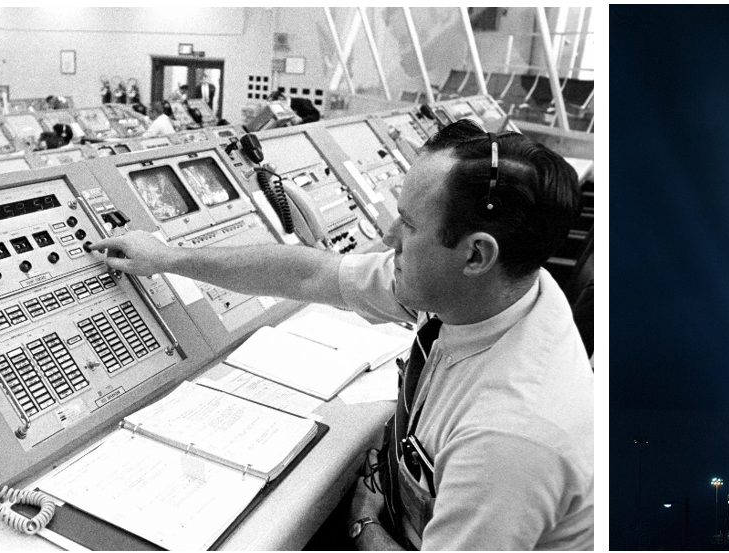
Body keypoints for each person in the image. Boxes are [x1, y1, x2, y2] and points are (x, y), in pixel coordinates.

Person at [90, 118, 592, 550]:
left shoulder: (510, 436)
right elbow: (311, 273)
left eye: (408, 225)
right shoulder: (489, 289)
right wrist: (170, 259)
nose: (387, 237)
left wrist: (363, 524)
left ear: (476, 255)